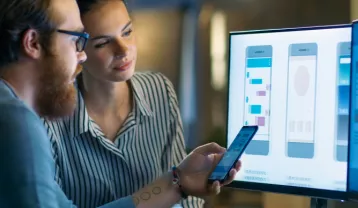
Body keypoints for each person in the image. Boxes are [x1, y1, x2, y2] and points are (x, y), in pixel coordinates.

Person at [0, 0, 241, 207]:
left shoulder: (159, 90)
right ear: (32, 43)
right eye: (78, 40)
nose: (81, 55)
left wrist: (178, 182)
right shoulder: (21, 121)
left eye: (127, 32)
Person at [43, 0, 209, 207]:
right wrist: (178, 184)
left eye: (127, 32)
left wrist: (188, 184)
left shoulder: (159, 90)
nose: (123, 50)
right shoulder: (49, 116)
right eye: (103, 43)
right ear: (77, 50)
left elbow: (185, 195)